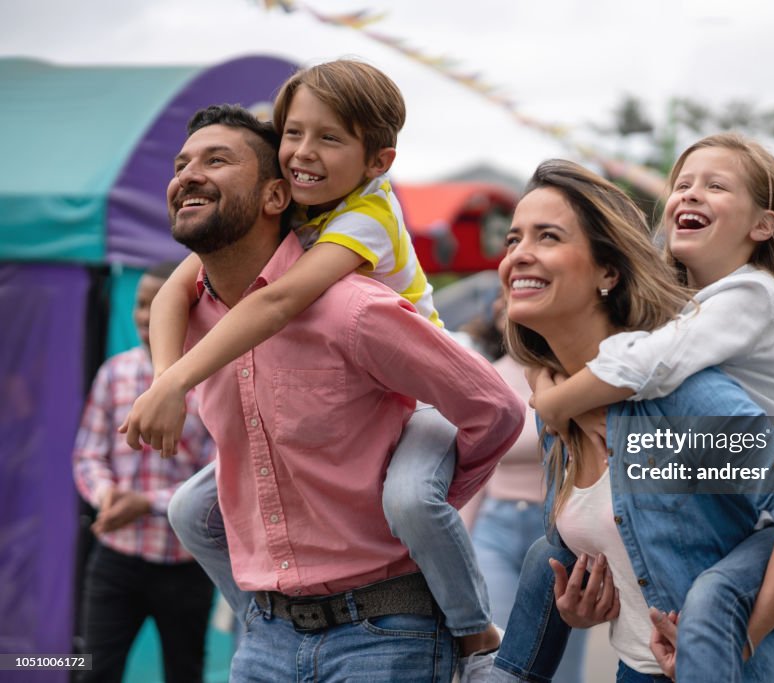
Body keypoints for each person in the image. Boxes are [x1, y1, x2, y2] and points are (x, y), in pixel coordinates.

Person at [122, 59, 504, 670]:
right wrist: (168, 382)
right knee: (189, 510)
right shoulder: (300, 205)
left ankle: (474, 631)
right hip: (282, 632)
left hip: (424, 394)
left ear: (377, 162)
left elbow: (279, 301)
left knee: (407, 499)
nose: (302, 151)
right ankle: (260, 614)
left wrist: (178, 380)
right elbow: (171, 291)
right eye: (293, 132)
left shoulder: (365, 218)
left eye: (329, 137)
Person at [523, 134, 774, 679]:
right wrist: (545, 372)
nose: (690, 195)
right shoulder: (683, 313)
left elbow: (645, 365)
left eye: (715, 186)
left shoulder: (751, 295)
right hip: (760, 519)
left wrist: (553, 401)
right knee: (544, 559)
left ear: (763, 225)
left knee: (713, 601)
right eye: (681, 185)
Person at [72, 261, 215, 683]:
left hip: (185, 563)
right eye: (139, 304)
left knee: (184, 673)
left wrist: (146, 504)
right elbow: (88, 454)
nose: (144, 316)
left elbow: (218, 475)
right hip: (116, 558)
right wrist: (107, 497)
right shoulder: (115, 373)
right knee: (92, 669)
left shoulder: (210, 380)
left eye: (157, 304)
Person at [463, 297, 589, 683]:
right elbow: (470, 467)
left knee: (561, 665)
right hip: (494, 528)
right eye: (501, 303)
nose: (509, 307)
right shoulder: (480, 375)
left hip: (555, 530)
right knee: (499, 660)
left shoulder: (575, 377)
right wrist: (461, 542)